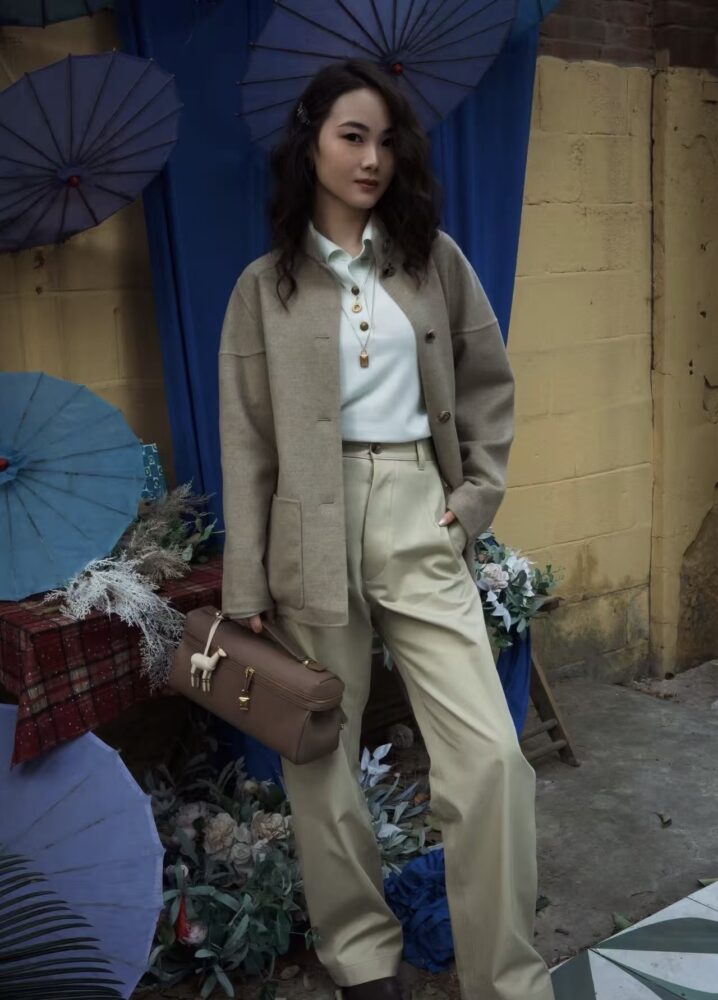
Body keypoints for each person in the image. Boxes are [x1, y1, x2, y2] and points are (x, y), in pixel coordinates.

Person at [218, 58, 555, 1000]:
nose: (372, 158)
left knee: (490, 757)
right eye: (351, 136)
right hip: (305, 523)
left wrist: (475, 497)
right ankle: (362, 959)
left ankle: (505, 977)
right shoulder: (264, 287)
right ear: (311, 146)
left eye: (386, 139)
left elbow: (488, 384)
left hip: (416, 504)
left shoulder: (432, 261)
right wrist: (245, 580)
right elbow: (246, 439)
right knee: (319, 757)